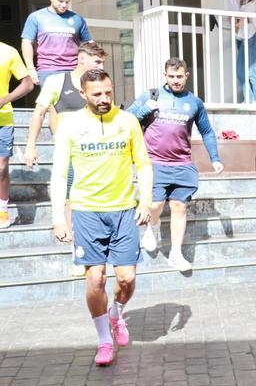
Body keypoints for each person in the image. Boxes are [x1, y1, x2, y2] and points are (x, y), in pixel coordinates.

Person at [51, 68, 152, 367]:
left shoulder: (128, 121)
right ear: (83, 94)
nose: (105, 98)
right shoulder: (70, 125)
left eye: (108, 92)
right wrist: (59, 217)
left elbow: (144, 164)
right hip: (86, 211)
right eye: (97, 94)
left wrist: (144, 200)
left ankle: (116, 314)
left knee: (127, 278)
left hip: (123, 210)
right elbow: (59, 174)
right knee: (95, 279)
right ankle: (104, 341)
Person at [127, 58, 224, 272]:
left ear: (186, 76)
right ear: (165, 75)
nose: (175, 81)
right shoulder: (151, 95)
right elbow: (126, 119)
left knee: (179, 207)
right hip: (154, 162)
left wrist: (215, 158)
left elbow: (207, 131)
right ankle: (152, 227)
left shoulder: (194, 103)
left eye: (179, 77)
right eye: (171, 77)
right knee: (155, 206)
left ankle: (176, 253)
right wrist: (145, 109)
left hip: (182, 164)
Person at [24, 41, 109, 165]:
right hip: (69, 151)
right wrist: (30, 146)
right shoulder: (56, 81)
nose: (101, 67)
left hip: (97, 150)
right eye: (97, 62)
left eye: (102, 63)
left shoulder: (100, 84)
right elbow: (39, 114)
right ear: (82, 59)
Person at [21, 0, 91, 84]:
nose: (64, 5)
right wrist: (31, 69)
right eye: (60, 1)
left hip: (74, 69)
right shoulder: (36, 17)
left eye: (67, 2)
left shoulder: (77, 19)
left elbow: (89, 43)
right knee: (51, 100)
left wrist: (91, 65)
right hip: (47, 69)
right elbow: (27, 42)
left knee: (74, 99)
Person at [0, 41, 36, 229]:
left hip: (3, 119)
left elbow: (28, 84)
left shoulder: (8, 52)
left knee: (2, 167)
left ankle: (2, 211)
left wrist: (5, 99)